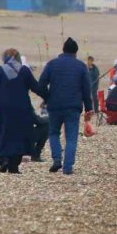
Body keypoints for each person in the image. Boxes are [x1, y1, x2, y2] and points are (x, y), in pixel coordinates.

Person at [39, 37, 93, 176]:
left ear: (63, 50)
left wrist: (47, 98)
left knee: (53, 133)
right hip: (73, 107)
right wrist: (89, 108)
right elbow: (87, 89)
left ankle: (57, 159)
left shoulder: (52, 64)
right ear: (76, 52)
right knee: (71, 137)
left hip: (54, 105)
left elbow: (41, 84)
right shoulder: (81, 66)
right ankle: (67, 167)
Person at [0, 48, 46, 174]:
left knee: (3, 133)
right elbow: (36, 87)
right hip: (21, 108)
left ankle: (3, 160)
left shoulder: (0, 70)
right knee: (19, 136)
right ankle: (14, 166)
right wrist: (49, 96)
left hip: (2, 108)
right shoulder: (24, 70)